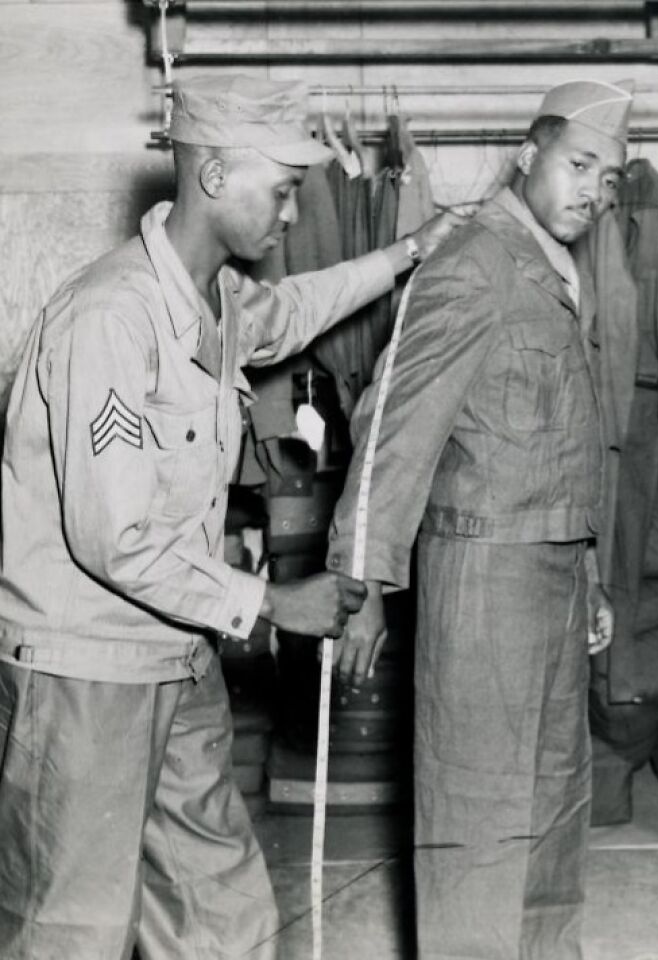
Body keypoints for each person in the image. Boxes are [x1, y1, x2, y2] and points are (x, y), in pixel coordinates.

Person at [0, 74, 457, 960]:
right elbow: (117, 539)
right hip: (86, 670)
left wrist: (407, 254)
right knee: (76, 926)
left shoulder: (216, 302)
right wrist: (273, 602)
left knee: (224, 916)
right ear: (212, 177)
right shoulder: (110, 320)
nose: (292, 213)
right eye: (283, 190)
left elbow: (292, 312)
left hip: (179, 653)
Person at [327, 79, 633, 959]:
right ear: (528, 154)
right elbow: (394, 426)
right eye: (580, 166)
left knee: (552, 813)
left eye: (609, 179)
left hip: (552, 583)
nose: (594, 191)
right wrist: (364, 584)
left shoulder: (556, 270)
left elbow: (560, 446)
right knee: (479, 822)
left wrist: (589, 576)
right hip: (484, 582)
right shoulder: (473, 263)